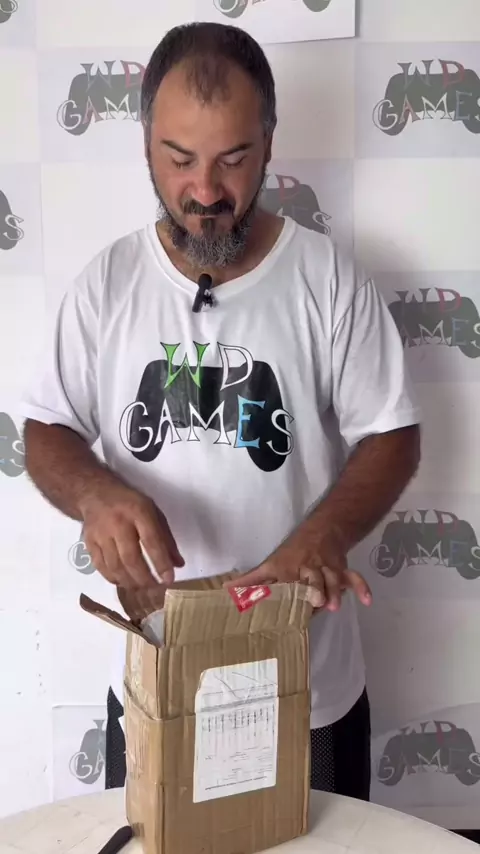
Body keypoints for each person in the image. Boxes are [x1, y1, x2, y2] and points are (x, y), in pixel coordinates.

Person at [20, 21, 421, 800]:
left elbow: (391, 434)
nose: (206, 191)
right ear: (146, 146)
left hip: (304, 682)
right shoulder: (108, 283)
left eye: (233, 159)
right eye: (180, 159)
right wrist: (96, 495)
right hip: (158, 677)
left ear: (268, 143)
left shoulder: (328, 280)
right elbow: (45, 428)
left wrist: (325, 533)